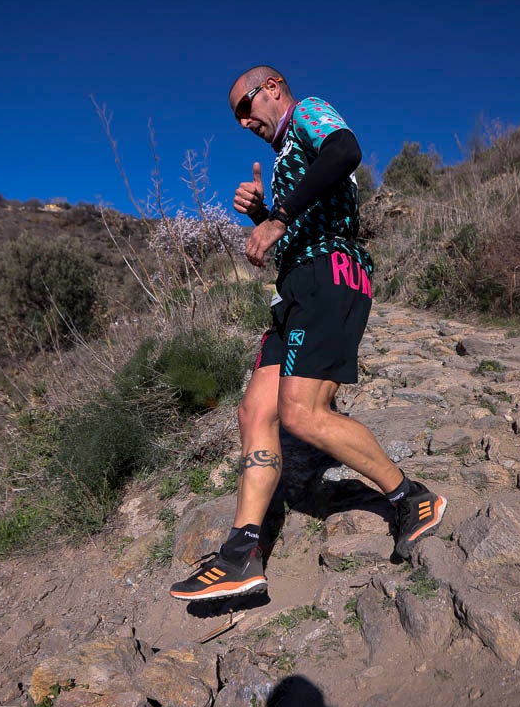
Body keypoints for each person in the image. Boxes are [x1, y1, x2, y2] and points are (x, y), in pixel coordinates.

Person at [170, 67, 446, 601]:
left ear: (273, 86)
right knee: (256, 410)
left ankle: (412, 497)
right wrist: (266, 216)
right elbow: (302, 217)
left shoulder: (309, 113)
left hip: (332, 274)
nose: (245, 121)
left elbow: (345, 152)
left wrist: (280, 217)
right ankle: (241, 553)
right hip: (296, 288)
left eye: (246, 107)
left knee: (302, 413)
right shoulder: (284, 161)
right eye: (237, 118)